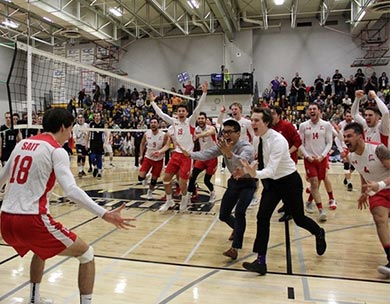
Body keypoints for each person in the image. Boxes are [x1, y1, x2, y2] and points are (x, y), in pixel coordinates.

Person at [0, 108, 135, 304]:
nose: (70, 135)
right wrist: (104, 213)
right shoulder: (56, 150)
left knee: (40, 249)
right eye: (70, 129)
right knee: (86, 254)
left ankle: (34, 298)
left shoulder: (22, 144)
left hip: (5, 220)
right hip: (32, 220)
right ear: (63, 127)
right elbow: (71, 190)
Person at [237, 107, 326, 276]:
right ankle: (261, 261)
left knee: (299, 218)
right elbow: (260, 161)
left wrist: (252, 174)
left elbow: (270, 169)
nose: (252, 123)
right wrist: (249, 169)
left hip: (289, 182)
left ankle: (318, 232)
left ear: (266, 123)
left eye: (256, 121)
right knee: (262, 217)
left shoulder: (278, 141)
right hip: (272, 184)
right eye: (252, 120)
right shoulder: (257, 139)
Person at [181, 119, 255, 260]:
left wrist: (229, 153)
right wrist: (190, 154)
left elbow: (242, 164)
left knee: (240, 212)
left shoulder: (247, 147)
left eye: (229, 132)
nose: (225, 135)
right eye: (224, 131)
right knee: (223, 215)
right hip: (234, 183)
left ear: (238, 133)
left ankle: (235, 248)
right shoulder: (223, 145)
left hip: (248, 182)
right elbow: (207, 154)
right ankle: (237, 229)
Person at [343, 122, 390, 278]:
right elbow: (363, 172)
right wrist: (365, 192)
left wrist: (381, 184)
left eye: (349, 136)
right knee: (379, 218)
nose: (345, 139)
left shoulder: (378, 149)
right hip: (377, 191)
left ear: (360, 136)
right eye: (344, 137)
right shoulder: (351, 156)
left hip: (385, 185)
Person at [152, 82, 208, 212]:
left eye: (183, 111)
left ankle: (184, 200)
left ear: (187, 113)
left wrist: (204, 93)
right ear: (176, 113)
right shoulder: (174, 122)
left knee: (183, 182)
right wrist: (153, 103)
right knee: (166, 179)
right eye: (179, 111)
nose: (181, 113)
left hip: (187, 156)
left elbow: (199, 107)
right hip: (176, 155)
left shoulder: (191, 121)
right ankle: (169, 201)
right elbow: (161, 115)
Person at [299, 103, 334, 221]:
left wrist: (323, 156)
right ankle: (321, 210)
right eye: (310, 109)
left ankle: (309, 202)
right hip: (309, 159)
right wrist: (307, 156)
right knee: (314, 182)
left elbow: (329, 142)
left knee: (318, 182)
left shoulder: (326, 125)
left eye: (314, 109)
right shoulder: (303, 125)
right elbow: (300, 143)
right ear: (308, 112)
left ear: (319, 111)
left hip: (321, 159)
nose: (312, 111)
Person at [270, 105, 302, 222]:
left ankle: (290, 211)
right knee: (279, 184)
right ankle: (285, 204)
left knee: (287, 186)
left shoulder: (287, 125)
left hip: (287, 161)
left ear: (279, 115)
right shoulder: (269, 127)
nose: (270, 116)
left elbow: (298, 141)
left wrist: (287, 153)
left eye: (273, 113)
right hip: (275, 162)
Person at [187, 112, 218, 203]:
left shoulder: (211, 128)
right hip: (202, 156)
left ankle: (212, 193)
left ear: (205, 119)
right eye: (199, 118)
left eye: (202, 118)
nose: (200, 120)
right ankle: (188, 196)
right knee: (193, 177)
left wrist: (198, 136)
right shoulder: (196, 129)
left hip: (212, 157)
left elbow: (209, 133)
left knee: (206, 180)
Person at [138, 117, 169, 199]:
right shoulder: (146, 134)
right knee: (140, 177)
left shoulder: (163, 135)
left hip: (159, 159)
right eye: (151, 123)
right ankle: (145, 177)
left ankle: (150, 192)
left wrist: (160, 152)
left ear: (158, 124)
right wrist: (141, 155)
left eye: (155, 122)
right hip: (148, 157)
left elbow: (166, 146)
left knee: (154, 180)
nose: (153, 124)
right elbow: (142, 144)